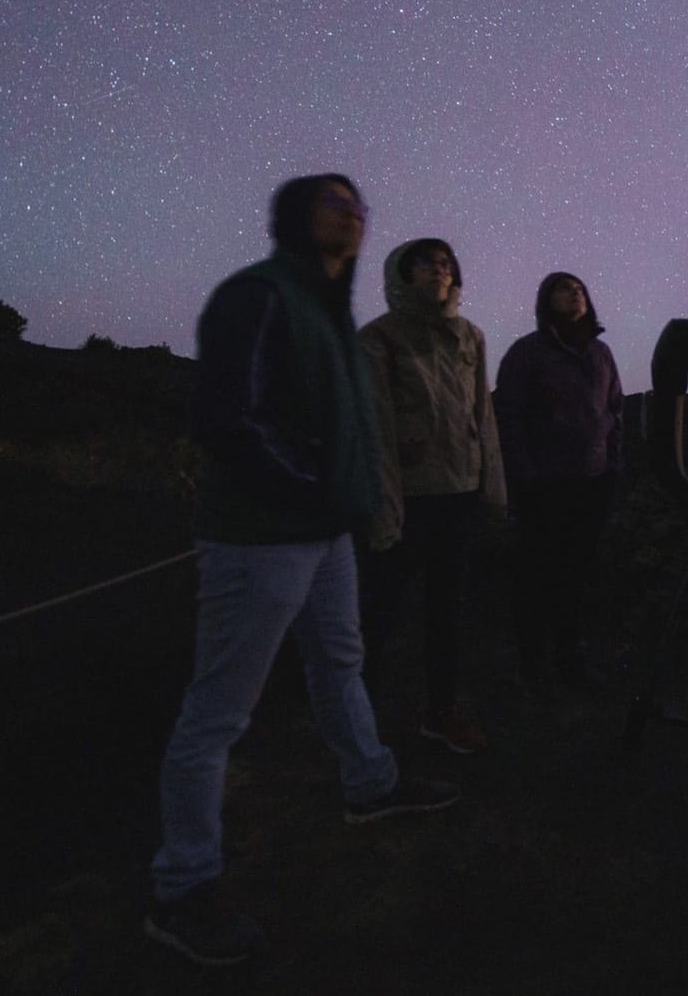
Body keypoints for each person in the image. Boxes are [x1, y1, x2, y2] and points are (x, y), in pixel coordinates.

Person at [146, 175, 458, 967]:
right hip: (261, 538)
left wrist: (338, 501)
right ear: (293, 218)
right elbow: (225, 419)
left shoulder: (329, 314)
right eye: (332, 202)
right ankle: (183, 888)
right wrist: (310, 487)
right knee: (219, 709)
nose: (351, 214)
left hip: (323, 537)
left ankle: (370, 784)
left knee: (339, 663)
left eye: (358, 206)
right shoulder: (256, 296)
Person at [358, 238, 508, 754]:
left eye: (445, 264)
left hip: (458, 495)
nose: (438, 271)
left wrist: (493, 490)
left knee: (448, 613)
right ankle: (356, 725)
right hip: (408, 498)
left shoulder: (470, 336)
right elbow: (375, 427)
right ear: (403, 273)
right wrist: (386, 507)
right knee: (378, 613)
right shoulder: (379, 338)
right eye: (425, 263)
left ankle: (440, 714)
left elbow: (481, 417)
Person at [494, 272, 624, 700]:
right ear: (546, 300)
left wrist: (613, 466)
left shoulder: (601, 354)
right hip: (543, 484)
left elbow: (615, 411)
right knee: (536, 576)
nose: (574, 293)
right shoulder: (527, 353)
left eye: (580, 288)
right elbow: (508, 416)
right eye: (564, 288)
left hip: (591, 484)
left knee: (578, 577)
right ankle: (532, 665)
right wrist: (524, 474)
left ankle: (571, 660)